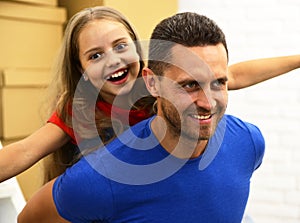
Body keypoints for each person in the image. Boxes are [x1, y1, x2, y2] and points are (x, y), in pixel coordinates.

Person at [17, 11, 280, 223]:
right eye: (189, 85)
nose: (208, 103)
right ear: (152, 85)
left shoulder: (249, 141)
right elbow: (29, 215)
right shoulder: (98, 178)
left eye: (219, 83)